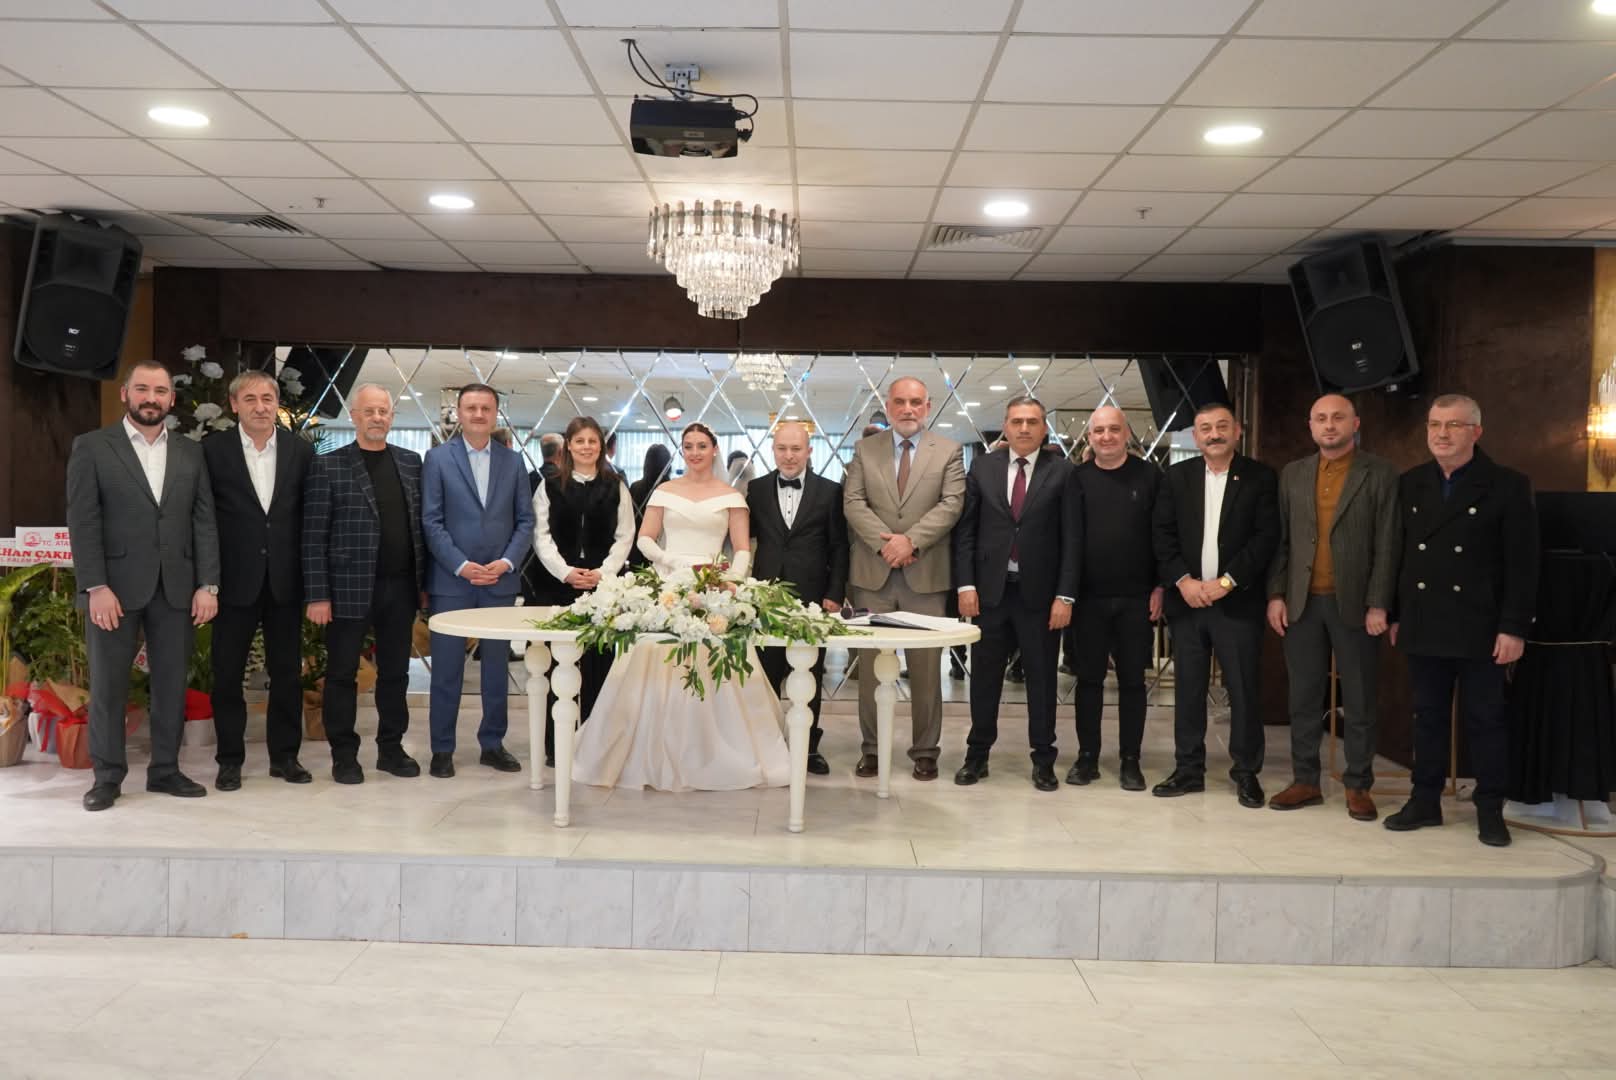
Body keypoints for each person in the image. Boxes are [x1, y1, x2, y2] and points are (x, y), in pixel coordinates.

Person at [571, 422, 790, 791]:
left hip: (713, 587)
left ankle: (713, 752)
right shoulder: (665, 491)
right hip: (670, 584)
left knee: (712, 663)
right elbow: (645, 539)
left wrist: (730, 580)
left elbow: (741, 549)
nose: (695, 452)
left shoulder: (731, 497)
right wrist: (672, 562)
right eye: (688, 446)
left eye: (702, 445)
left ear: (714, 449)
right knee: (657, 660)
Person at [67, 362, 220, 812]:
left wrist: (208, 584)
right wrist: (95, 585)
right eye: (142, 389)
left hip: (177, 587)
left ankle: (165, 771)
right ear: (125, 394)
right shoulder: (92, 447)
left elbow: (204, 521)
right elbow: (83, 520)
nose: (151, 398)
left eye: (160, 390)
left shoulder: (191, 452)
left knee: (171, 684)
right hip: (112, 590)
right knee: (109, 685)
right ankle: (107, 777)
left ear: (171, 398)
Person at [1386, 394, 1538, 848]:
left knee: (1485, 720)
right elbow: (1399, 555)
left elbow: (1523, 564)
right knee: (1427, 717)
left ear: (1476, 432)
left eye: (1453, 425)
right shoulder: (1411, 482)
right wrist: (1395, 613)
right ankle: (1425, 801)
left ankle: (1490, 809)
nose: (1442, 434)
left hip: (1482, 627)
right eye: (1435, 424)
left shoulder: (1507, 485)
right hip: (1424, 620)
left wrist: (1514, 627)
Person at [1266, 394, 1400, 822]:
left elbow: (1388, 543)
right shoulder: (1293, 473)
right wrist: (1276, 594)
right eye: (1321, 418)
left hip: (1356, 604)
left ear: (1354, 423)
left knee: (1359, 699)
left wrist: (1379, 604)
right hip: (1302, 601)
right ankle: (1305, 780)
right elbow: (1282, 539)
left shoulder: (1380, 473)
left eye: (1338, 417)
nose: (1329, 425)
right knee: (1303, 696)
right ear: (1310, 426)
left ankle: (1358, 785)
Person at [1151, 403, 1279, 808]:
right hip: (1187, 601)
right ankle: (1188, 769)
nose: (1214, 434)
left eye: (1222, 426)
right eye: (1205, 428)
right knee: (1188, 689)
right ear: (1195, 436)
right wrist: (1183, 581)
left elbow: (1265, 537)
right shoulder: (1177, 477)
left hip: (1236, 602)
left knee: (1242, 689)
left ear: (1237, 431)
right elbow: (1162, 535)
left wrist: (1226, 582)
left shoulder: (1260, 477)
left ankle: (1246, 772)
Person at [843, 376, 967, 781]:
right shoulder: (865, 449)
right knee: (869, 672)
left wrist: (910, 541)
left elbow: (952, 504)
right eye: (900, 401)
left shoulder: (948, 451)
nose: (908, 409)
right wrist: (887, 546)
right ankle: (872, 749)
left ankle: (926, 751)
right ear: (889, 405)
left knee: (927, 671)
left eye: (916, 402)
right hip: (872, 576)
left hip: (925, 575)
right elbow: (853, 502)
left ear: (928, 407)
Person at [953, 397, 1080, 792]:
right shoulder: (983, 467)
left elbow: (1073, 539)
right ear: (1005, 427)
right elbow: (966, 531)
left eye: (1033, 421)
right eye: (1017, 421)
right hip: (990, 594)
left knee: (1042, 681)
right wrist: (966, 585)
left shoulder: (1063, 471)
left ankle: (1043, 759)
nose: (1024, 428)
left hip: (1041, 597)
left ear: (1044, 428)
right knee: (984, 679)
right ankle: (977, 755)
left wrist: (1065, 596)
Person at [302, 383, 426, 785]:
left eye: (383, 411)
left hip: (400, 588)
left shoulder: (410, 462)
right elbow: (313, 535)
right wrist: (318, 595)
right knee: (341, 675)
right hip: (346, 589)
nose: (377, 417)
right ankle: (344, 756)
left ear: (392, 417)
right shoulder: (329, 465)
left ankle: (391, 749)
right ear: (354, 416)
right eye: (369, 411)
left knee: (396, 674)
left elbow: (420, 527)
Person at [202, 369, 314, 791]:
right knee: (227, 675)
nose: (260, 407)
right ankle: (229, 760)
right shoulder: (212, 451)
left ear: (277, 403)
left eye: (267, 398)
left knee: (286, 674)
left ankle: (285, 758)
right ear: (234, 405)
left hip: (286, 580)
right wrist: (207, 581)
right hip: (233, 582)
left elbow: (310, 517)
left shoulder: (300, 451)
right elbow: (203, 520)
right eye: (250, 399)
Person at [422, 384, 536, 779]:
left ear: (496, 414)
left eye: (485, 408)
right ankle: (442, 749)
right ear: (459, 412)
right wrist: (461, 565)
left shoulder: (513, 462)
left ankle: (492, 744)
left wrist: (505, 562)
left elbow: (526, 521)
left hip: (498, 581)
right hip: (452, 581)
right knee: (446, 671)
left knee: (496, 671)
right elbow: (431, 520)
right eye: (470, 407)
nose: (478, 414)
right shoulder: (437, 459)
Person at [1068, 405, 1163, 791]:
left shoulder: (1150, 476)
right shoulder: (1077, 479)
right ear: (1089, 437)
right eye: (1098, 431)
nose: (1105, 436)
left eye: (1113, 429)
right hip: (1087, 599)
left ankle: (1130, 760)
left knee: (1132, 683)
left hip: (1137, 598)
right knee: (1088, 680)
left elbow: (1162, 535)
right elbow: (1069, 539)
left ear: (1126, 434)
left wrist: (1160, 586)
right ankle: (1087, 757)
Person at [532, 415, 635, 766]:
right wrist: (565, 573)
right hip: (557, 588)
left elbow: (625, 535)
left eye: (593, 441)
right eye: (580, 441)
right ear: (568, 446)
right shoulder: (549, 486)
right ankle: (555, 746)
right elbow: (541, 536)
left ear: (601, 447)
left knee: (599, 669)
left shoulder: (616, 485)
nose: (587, 447)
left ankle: (595, 744)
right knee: (558, 668)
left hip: (602, 590)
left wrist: (603, 573)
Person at [747, 421, 849, 775]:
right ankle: (768, 744)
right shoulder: (756, 489)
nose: (788, 456)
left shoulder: (830, 491)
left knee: (810, 673)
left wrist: (834, 593)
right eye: (782, 448)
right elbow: (746, 539)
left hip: (812, 596)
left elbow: (839, 546)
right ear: (773, 450)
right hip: (767, 596)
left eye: (796, 449)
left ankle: (808, 748)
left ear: (809, 451)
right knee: (767, 672)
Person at [626, 443, 673, 570]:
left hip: (638, 546)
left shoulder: (635, 487)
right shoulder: (672, 489)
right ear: (668, 465)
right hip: (665, 546)